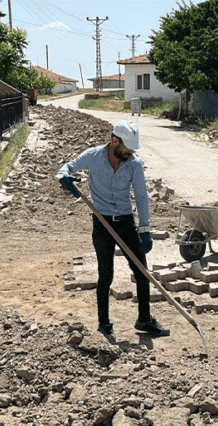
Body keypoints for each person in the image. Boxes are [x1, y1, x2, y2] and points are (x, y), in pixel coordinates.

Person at [57, 120, 169, 342]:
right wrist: (64, 178)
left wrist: (144, 229)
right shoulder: (94, 156)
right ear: (114, 141)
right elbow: (67, 167)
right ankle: (104, 324)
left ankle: (144, 319)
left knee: (141, 272)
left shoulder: (134, 164)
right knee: (105, 275)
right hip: (102, 223)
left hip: (125, 223)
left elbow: (141, 196)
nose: (131, 151)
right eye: (127, 147)